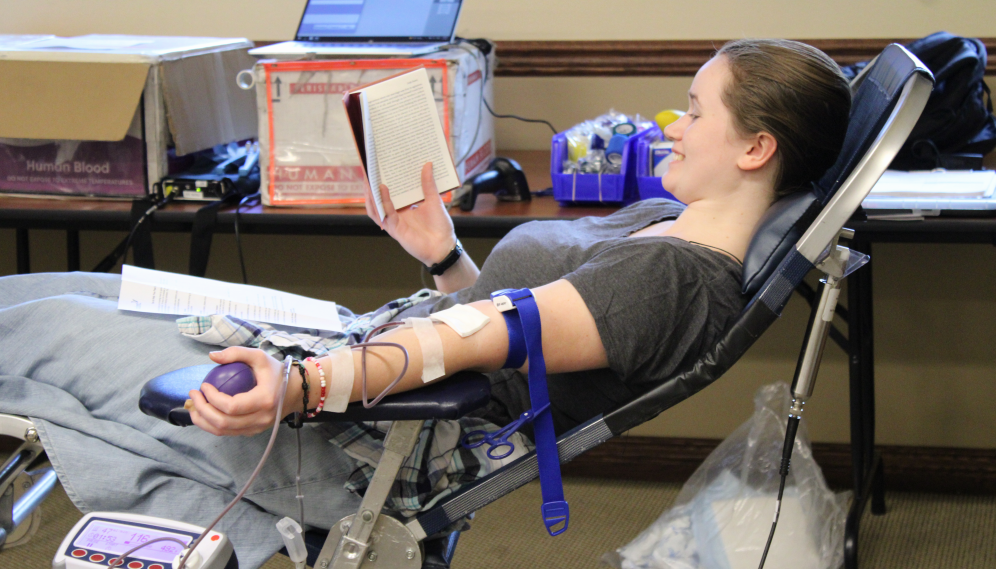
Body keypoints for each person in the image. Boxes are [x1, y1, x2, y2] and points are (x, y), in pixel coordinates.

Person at [0, 39, 851, 568]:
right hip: (370, 364)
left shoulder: (674, 280)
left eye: (695, 111)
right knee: (84, 291)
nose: (673, 121)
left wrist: (297, 388)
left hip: (360, 433)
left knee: (38, 330)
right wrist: (440, 250)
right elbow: (511, 320)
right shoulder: (665, 220)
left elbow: (482, 337)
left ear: (756, 146)